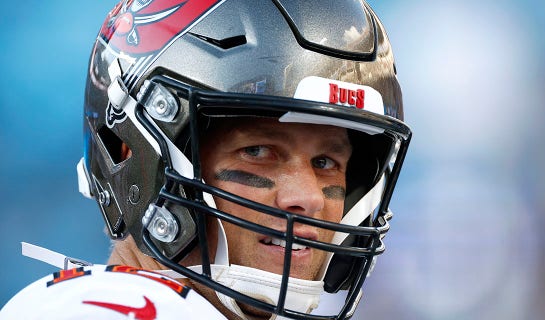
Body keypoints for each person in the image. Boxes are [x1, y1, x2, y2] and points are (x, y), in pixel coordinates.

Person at [1, 0, 411, 319]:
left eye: (326, 163)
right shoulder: (100, 310)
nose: (308, 198)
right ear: (132, 153)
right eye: (258, 152)